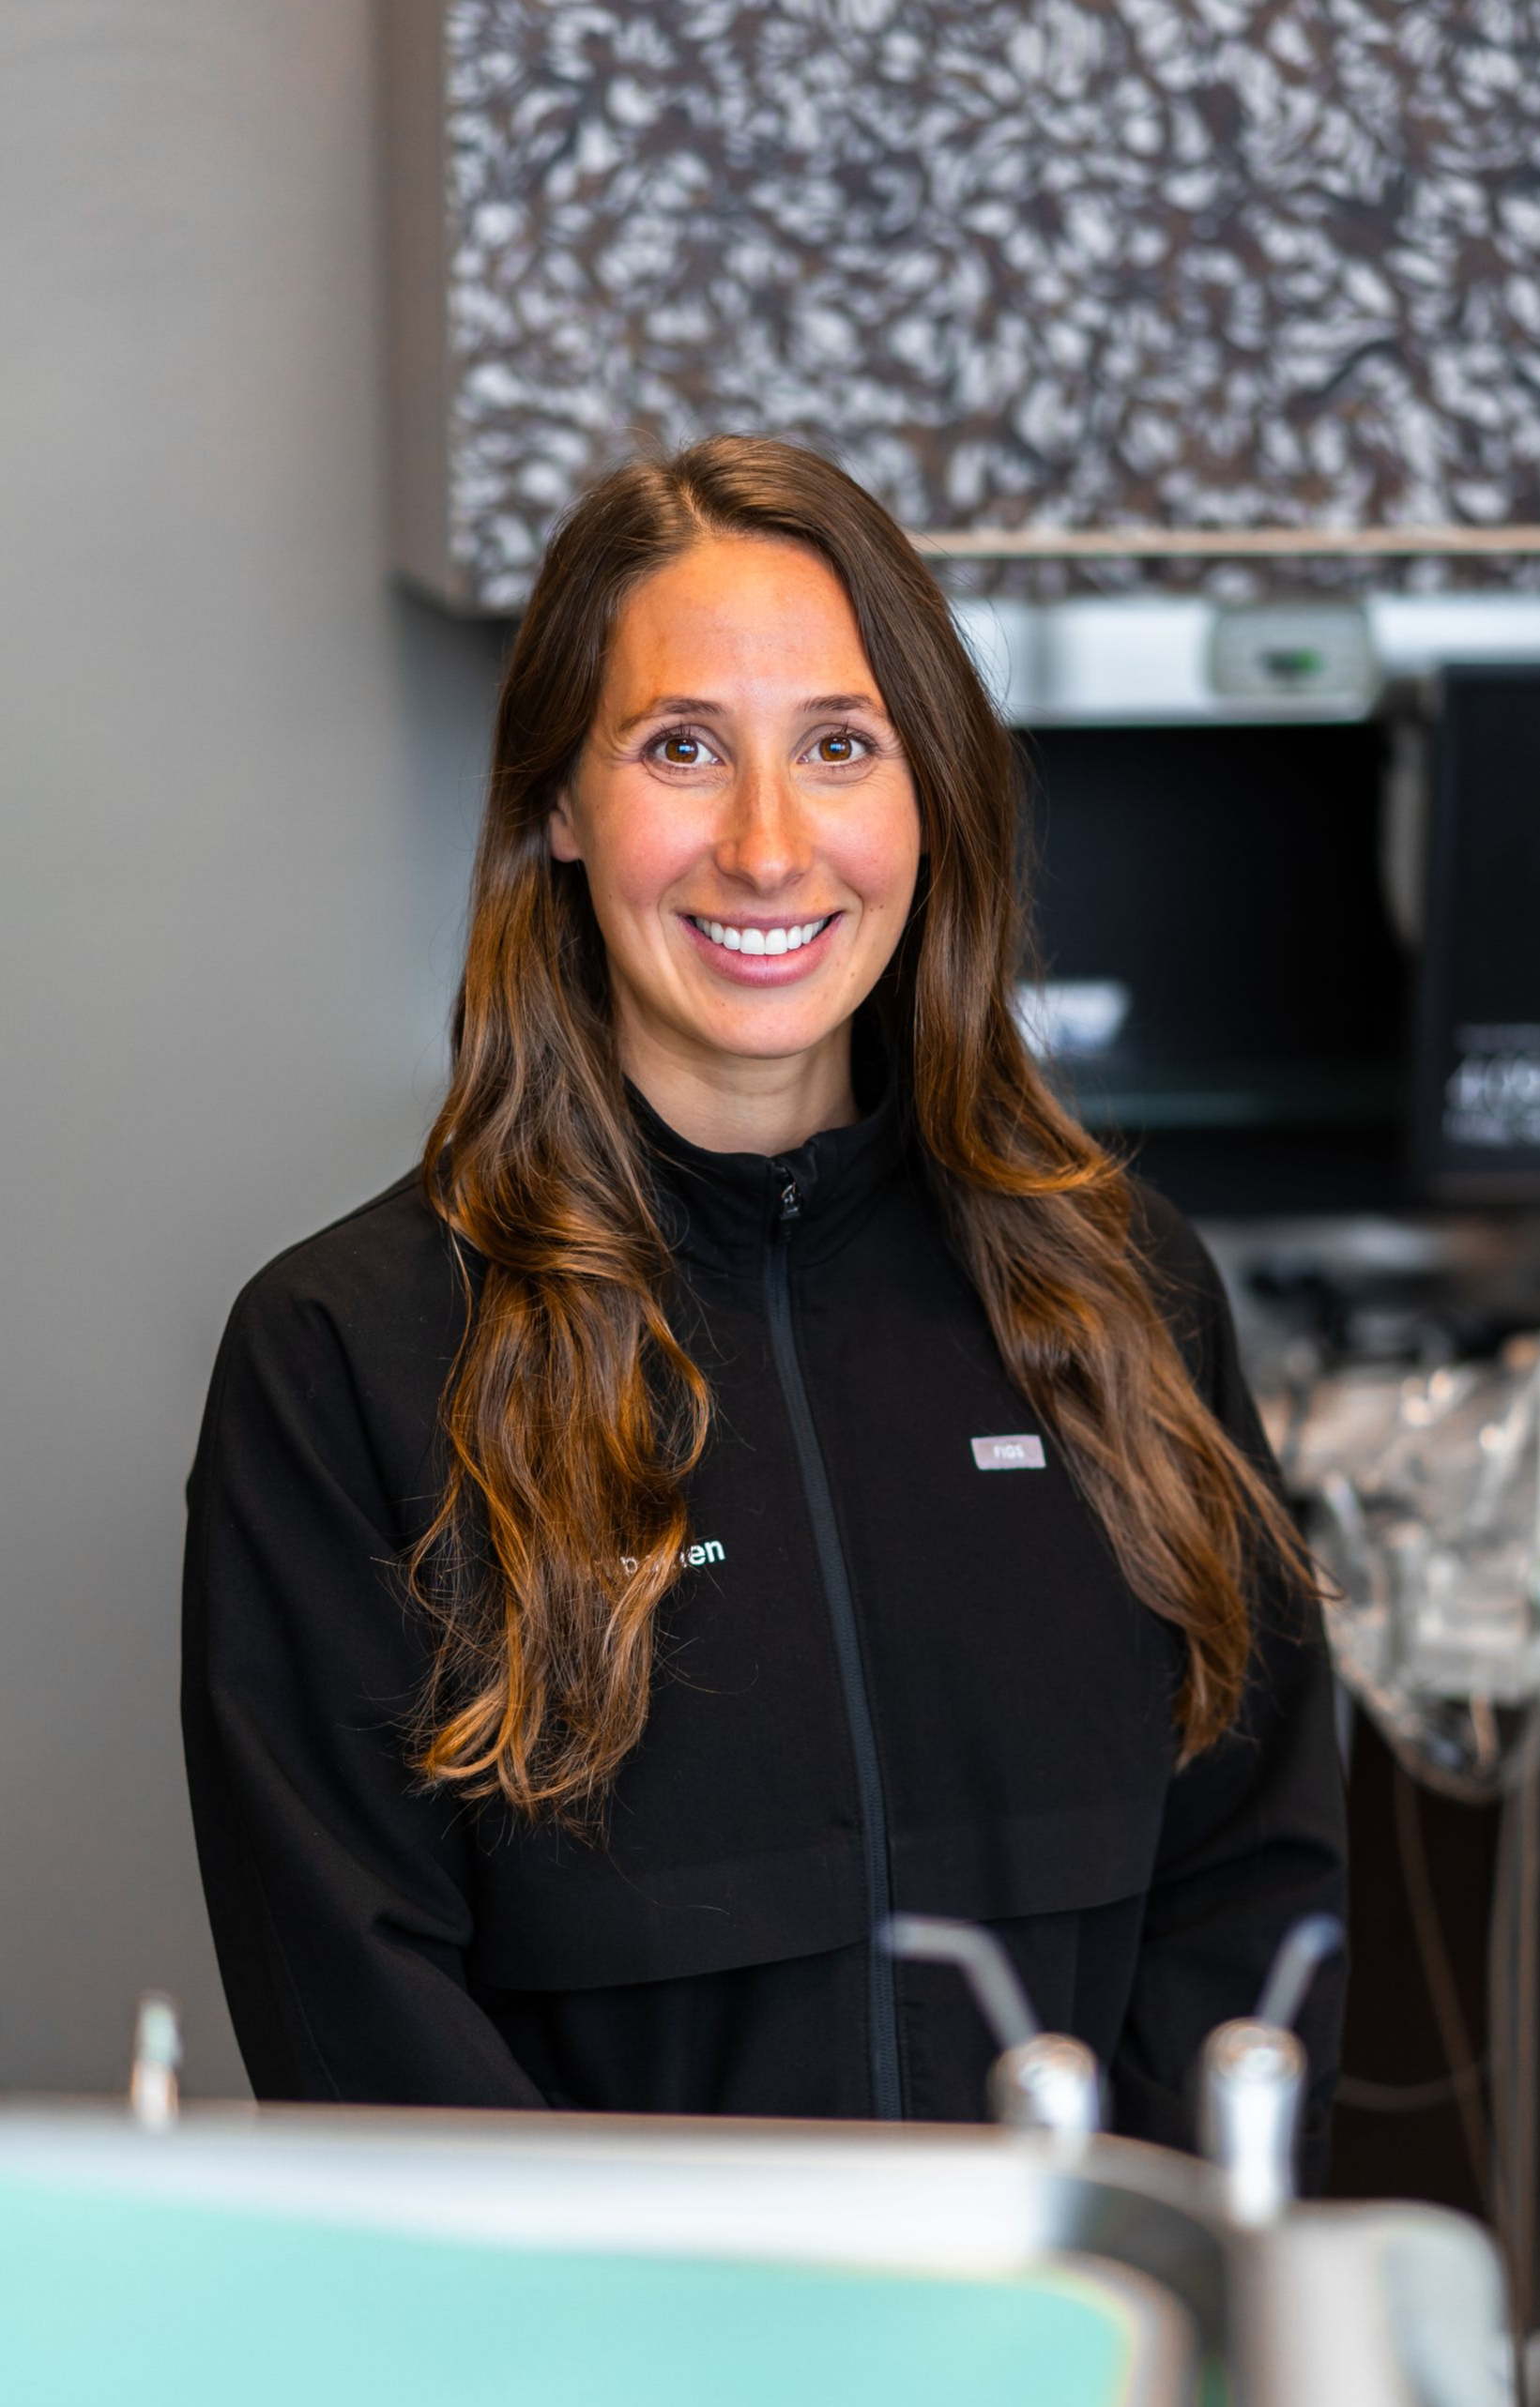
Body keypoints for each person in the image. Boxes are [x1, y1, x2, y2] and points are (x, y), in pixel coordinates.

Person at [182, 435, 1346, 2167]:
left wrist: (1133, 2320)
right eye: (680, 750)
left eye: (838, 746)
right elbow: (365, 2024)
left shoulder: (1127, 1295)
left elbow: (1254, 1894)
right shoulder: (349, 1360)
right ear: (558, 809)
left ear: (927, 795)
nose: (768, 843)